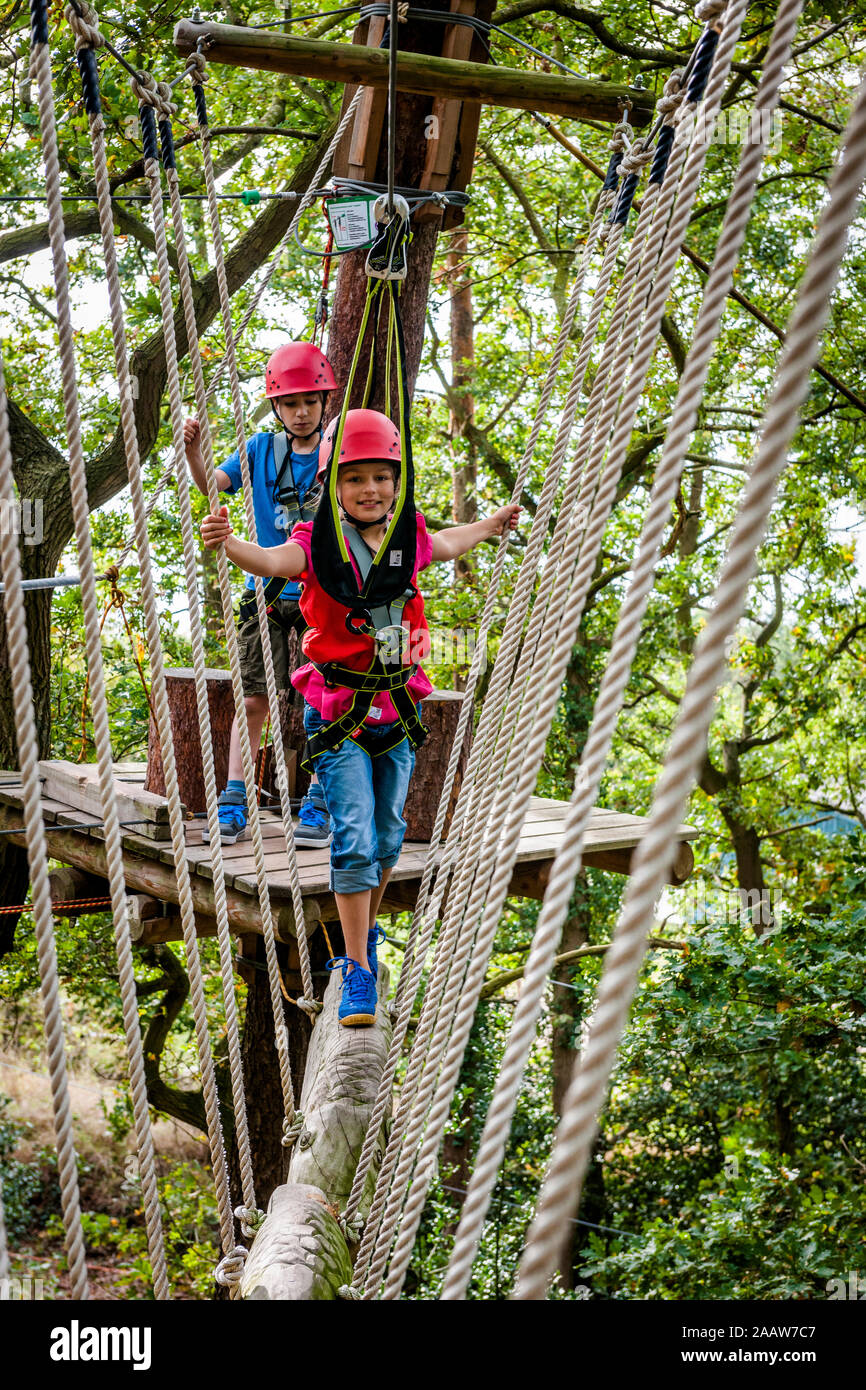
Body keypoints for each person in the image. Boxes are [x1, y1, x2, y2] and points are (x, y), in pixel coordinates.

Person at [201, 407, 520, 1026]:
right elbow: (272, 565)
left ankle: (361, 938)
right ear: (333, 485)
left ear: (396, 482)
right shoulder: (314, 541)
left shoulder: (409, 533)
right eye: (354, 479)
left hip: (396, 712)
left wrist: (490, 524)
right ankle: (357, 970)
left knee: (388, 837)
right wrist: (230, 544)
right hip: (340, 714)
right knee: (353, 841)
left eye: (381, 477)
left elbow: (449, 541)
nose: (370, 490)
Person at [184, 341, 335, 847]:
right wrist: (191, 452)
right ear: (276, 406)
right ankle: (232, 801)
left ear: (323, 404)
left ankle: (320, 799)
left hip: (324, 589)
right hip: (267, 587)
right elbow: (214, 486)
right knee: (253, 699)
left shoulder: (338, 452)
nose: (300, 412)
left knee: (329, 700)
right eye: (291, 403)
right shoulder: (258, 450)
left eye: (310, 402)